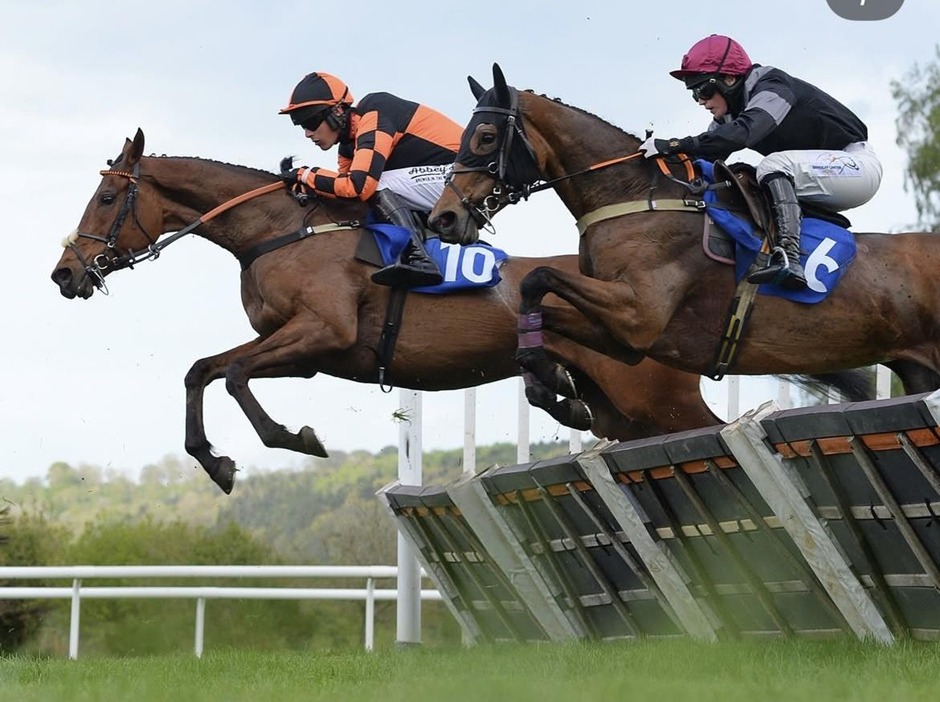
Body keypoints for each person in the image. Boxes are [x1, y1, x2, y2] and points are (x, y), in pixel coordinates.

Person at [639, 34, 883, 290]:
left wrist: (677, 144)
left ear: (729, 79)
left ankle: (789, 256)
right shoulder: (730, 116)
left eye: (704, 90)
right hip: (821, 175)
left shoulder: (773, 86)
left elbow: (744, 133)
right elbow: (704, 159)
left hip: (856, 166)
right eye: (694, 94)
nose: (701, 101)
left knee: (772, 165)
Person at [279, 72, 463, 287]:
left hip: (463, 174)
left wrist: (306, 175)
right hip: (436, 181)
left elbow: (358, 187)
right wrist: (308, 187)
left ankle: (420, 259)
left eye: (311, 121)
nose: (308, 133)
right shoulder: (347, 147)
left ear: (338, 110)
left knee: (375, 184)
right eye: (301, 125)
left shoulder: (374, 113)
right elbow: (344, 190)